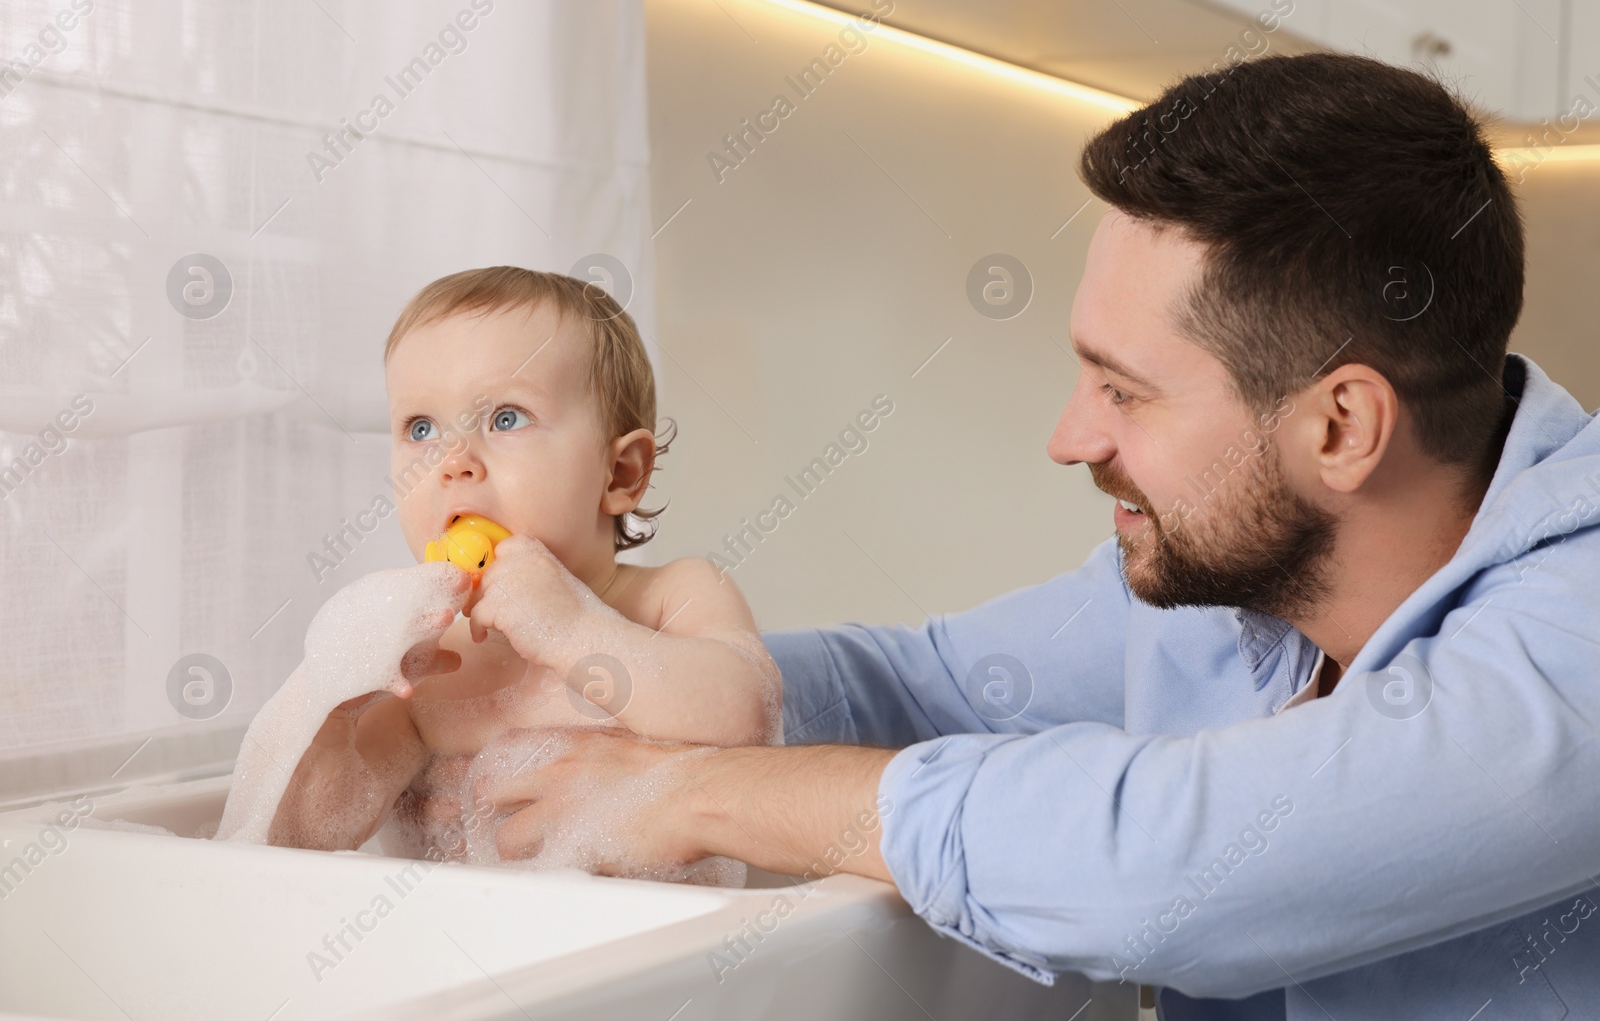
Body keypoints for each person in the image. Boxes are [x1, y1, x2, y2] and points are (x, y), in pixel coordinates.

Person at [446, 54, 1600, 1019]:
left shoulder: (1577, 633)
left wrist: (698, 791)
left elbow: (1168, 867)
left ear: (1340, 426)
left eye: (1124, 391)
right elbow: (934, 682)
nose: (1067, 437)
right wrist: (612, 656)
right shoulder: (1239, 583)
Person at [268, 267, 781, 875]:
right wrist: (334, 712)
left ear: (619, 474)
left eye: (505, 418)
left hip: (647, 952)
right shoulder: (429, 667)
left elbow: (746, 716)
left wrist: (571, 628)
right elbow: (305, 842)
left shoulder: (674, 598)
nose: (453, 462)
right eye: (421, 428)